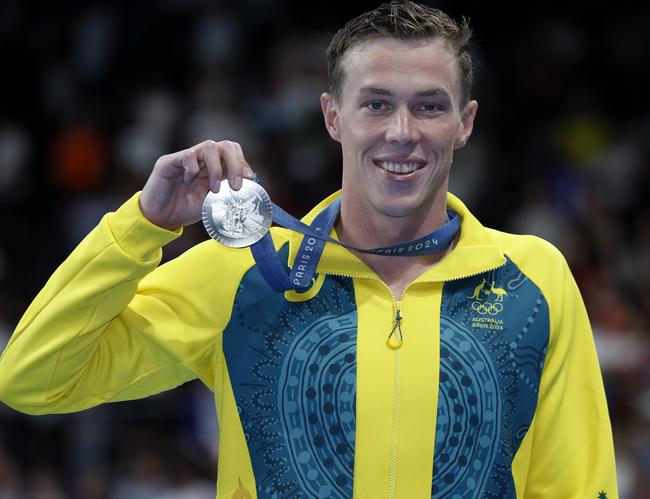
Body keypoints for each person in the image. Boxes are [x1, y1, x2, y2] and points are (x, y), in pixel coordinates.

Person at [0, 1, 618, 498]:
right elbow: (33, 379)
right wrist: (141, 225)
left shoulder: (531, 279)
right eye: (375, 104)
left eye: (429, 107)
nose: (401, 133)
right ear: (332, 115)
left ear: (465, 122)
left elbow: (576, 485)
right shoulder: (245, 270)